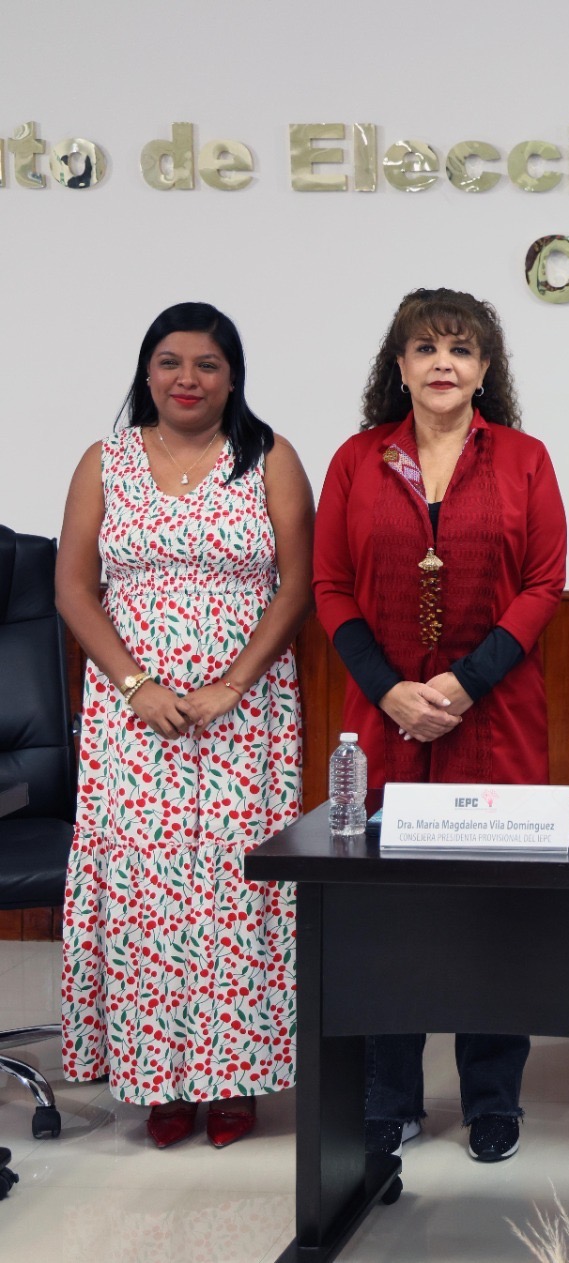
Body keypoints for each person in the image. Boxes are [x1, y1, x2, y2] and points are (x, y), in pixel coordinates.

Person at [313, 287, 566, 1164]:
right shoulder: (355, 460)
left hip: (494, 721)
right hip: (384, 725)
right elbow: (330, 588)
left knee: (491, 913)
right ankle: (391, 1095)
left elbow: (542, 585)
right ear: (400, 366)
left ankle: (494, 1097)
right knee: (390, 914)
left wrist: (459, 683)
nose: (444, 364)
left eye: (461, 349)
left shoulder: (526, 459)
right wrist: (390, 691)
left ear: (487, 368)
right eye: (425, 349)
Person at [56, 302, 314, 1150]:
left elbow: (296, 586)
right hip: (135, 718)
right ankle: (158, 1080)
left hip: (248, 713)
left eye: (206, 364)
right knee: (148, 896)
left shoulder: (269, 458)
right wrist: (136, 685)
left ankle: (235, 1075)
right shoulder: (107, 460)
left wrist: (230, 683)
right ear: (146, 372)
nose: (187, 380)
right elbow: (73, 589)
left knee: (237, 893)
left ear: (233, 375)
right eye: (169, 363)